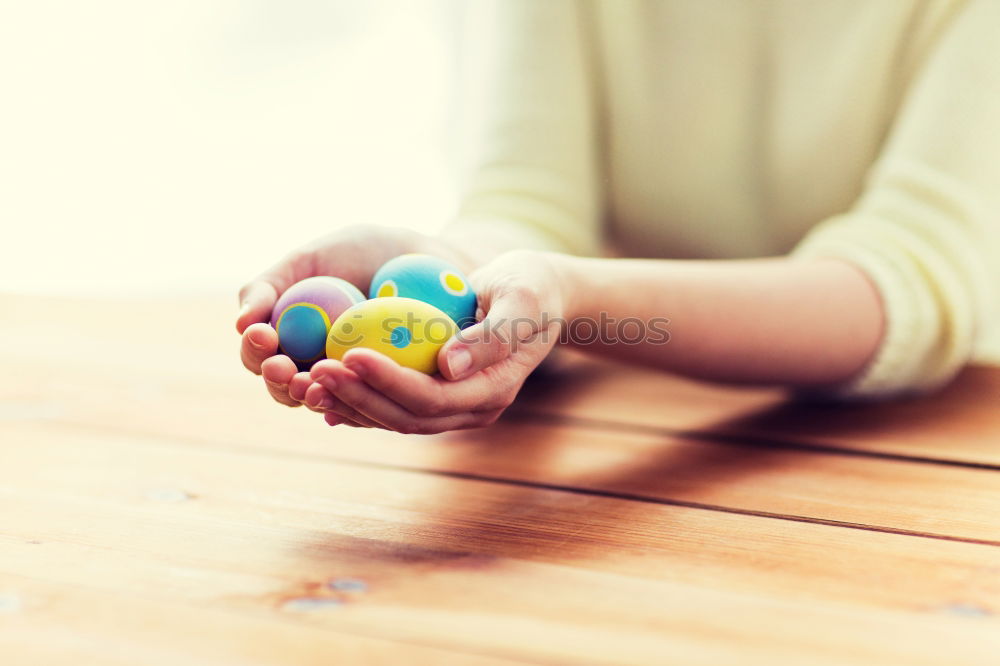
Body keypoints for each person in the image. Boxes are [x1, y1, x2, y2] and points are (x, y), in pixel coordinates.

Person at [237, 0, 1000, 434]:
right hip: (628, 416)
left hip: (937, 439)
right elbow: (531, 202)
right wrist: (452, 266)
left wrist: (569, 299)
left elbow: (907, 284)